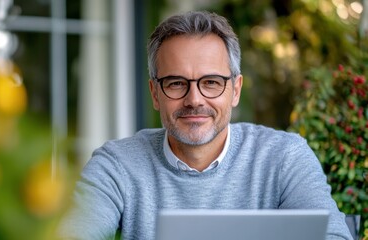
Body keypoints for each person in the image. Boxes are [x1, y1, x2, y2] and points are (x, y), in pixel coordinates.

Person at [58, 11, 352, 240]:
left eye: (211, 82)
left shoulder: (285, 157)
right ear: (155, 94)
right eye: (176, 83)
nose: (194, 99)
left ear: (235, 90)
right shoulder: (117, 165)